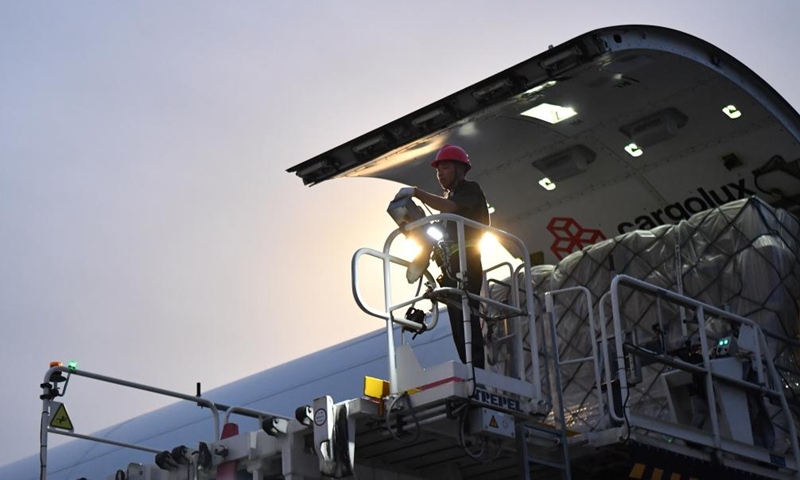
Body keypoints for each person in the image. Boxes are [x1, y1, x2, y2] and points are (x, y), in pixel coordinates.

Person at [394, 145, 489, 369]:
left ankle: (476, 371)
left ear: (460, 169)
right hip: (451, 269)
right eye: (438, 170)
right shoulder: (446, 209)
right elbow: (435, 237)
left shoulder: (470, 190)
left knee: (466, 317)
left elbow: (451, 207)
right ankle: (470, 370)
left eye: (445, 168)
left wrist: (416, 192)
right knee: (457, 321)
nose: (440, 174)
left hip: (468, 263)